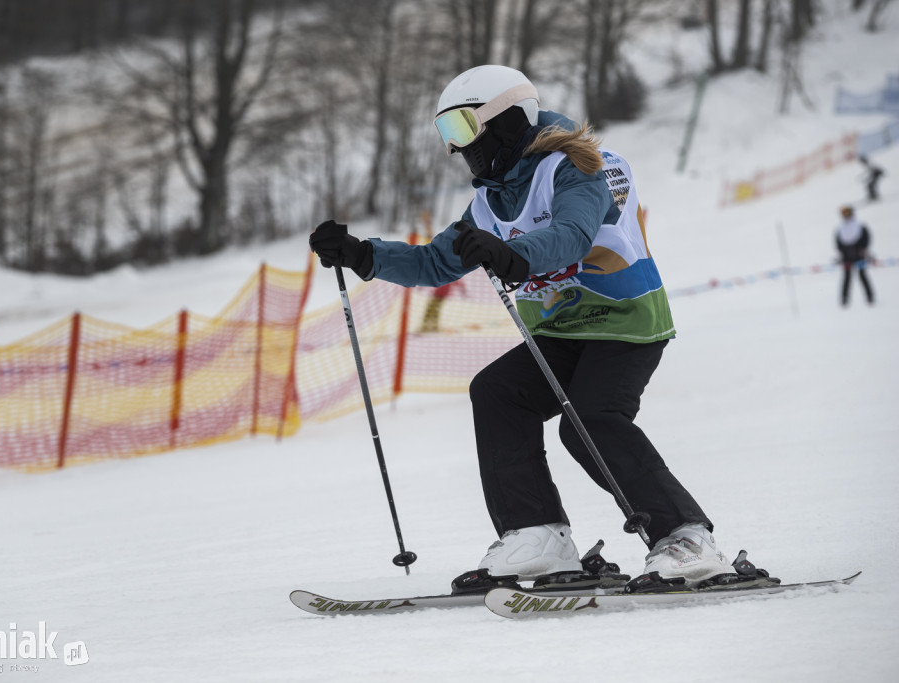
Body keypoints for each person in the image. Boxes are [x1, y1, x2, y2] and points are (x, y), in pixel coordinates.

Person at [310, 65, 738, 587]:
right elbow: (435, 263)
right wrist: (362, 255)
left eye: (464, 129)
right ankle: (537, 535)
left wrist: (511, 255)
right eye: (447, 133)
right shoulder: (492, 199)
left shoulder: (579, 166)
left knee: (590, 421)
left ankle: (686, 538)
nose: (456, 147)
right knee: (497, 391)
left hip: (622, 323)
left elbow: (571, 235)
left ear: (508, 121)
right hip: (559, 333)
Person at [835, 205, 874, 306]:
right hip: (846, 258)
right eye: (844, 215)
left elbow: (866, 239)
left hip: (859, 256)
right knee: (847, 277)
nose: (846, 217)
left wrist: (863, 249)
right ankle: (844, 299)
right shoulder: (841, 229)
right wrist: (842, 252)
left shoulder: (860, 226)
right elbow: (838, 243)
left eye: (848, 214)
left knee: (862, 275)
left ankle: (870, 297)